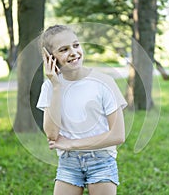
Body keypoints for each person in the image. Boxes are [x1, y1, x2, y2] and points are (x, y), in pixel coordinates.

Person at [36, 25, 127, 195]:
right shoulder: (49, 87)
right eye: (63, 49)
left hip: (101, 160)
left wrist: (71, 143)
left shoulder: (104, 82)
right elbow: (52, 134)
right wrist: (56, 86)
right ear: (50, 58)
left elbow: (118, 135)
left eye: (76, 45)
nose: (73, 52)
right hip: (68, 163)